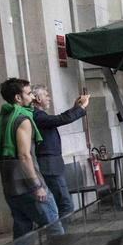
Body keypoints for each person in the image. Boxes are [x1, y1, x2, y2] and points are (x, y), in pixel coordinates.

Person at [0, 79, 90, 245]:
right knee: (54, 224)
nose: (32, 97)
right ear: (18, 98)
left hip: (10, 186)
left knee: (22, 233)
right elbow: (25, 155)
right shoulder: (23, 118)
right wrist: (37, 185)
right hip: (28, 185)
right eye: (28, 94)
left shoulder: (2, 118)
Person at [31, 85, 89, 220]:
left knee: (61, 203)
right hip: (49, 166)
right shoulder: (37, 116)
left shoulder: (39, 115)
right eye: (46, 95)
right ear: (38, 98)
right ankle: (60, 238)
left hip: (52, 165)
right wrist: (80, 108)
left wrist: (76, 107)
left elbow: (60, 118)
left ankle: (58, 236)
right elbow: (60, 119)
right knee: (65, 205)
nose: (49, 98)